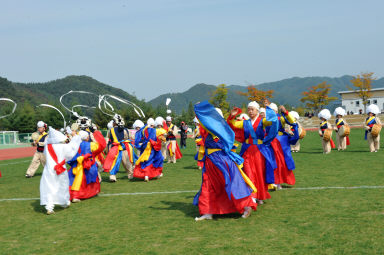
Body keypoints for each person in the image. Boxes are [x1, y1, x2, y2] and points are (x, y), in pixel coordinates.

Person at [193, 101, 257, 221]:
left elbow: (204, 121)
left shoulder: (217, 128)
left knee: (232, 184)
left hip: (220, 160)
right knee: (209, 185)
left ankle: (246, 206)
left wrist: (198, 109)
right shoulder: (211, 127)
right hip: (211, 160)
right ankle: (207, 211)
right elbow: (202, 122)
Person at [227, 101, 278, 204]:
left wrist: (268, 108)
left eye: (252, 109)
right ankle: (252, 195)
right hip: (247, 150)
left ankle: (260, 195)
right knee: (248, 171)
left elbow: (273, 121)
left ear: (257, 110)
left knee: (259, 172)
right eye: (249, 109)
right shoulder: (245, 122)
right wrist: (232, 116)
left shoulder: (262, 121)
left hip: (259, 151)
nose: (250, 111)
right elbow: (233, 125)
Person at [40, 127, 82, 215]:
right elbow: (71, 151)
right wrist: (76, 138)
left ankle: (49, 207)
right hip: (60, 169)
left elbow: (45, 152)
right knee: (62, 186)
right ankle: (64, 202)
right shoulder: (63, 146)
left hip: (49, 170)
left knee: (49, 188)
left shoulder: (47, 147)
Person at [67, 130, 106, 202]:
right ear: (86, 138)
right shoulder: (90, 145)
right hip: (87, 166)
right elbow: (101, 146)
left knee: (73, 181)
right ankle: (79, 195)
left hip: (76, 166)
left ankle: (73, 195)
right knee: (86, 180)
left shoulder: (74, 145)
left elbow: (69, 157)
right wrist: (96, 133)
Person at [268, 103, 298, 189]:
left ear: (276, 111)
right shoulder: (265, 119)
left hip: (280, 142)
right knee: (270, 161)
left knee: (280, 162)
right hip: (269, 142)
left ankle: (278, 182)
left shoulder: (280, 118)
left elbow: (292, 121)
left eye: (273, 110)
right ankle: (270, 181)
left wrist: (286, 112)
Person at [103, 114, 135, 182]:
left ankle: (112, 176)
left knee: (114, 163)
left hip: (115, 148)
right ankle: (131, 175)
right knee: (127, 163)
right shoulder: (126, 130)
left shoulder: (111, 130)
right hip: (125, 148)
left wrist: (107, 149)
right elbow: (131, 137)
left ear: (115, 122)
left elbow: (109, 139)